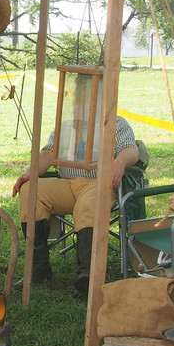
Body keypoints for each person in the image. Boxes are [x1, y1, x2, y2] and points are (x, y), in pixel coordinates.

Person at [12, 112, 140, 298]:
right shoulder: (65, 126)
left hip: (99, 184)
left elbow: (130, 150)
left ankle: (87, 274)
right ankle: (39, 267)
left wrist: (120, 161)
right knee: (30, 190)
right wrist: (28, 172)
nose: (78, 104)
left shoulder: (116, 123)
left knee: (88, 204)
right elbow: (48, 153)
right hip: (68, 184)